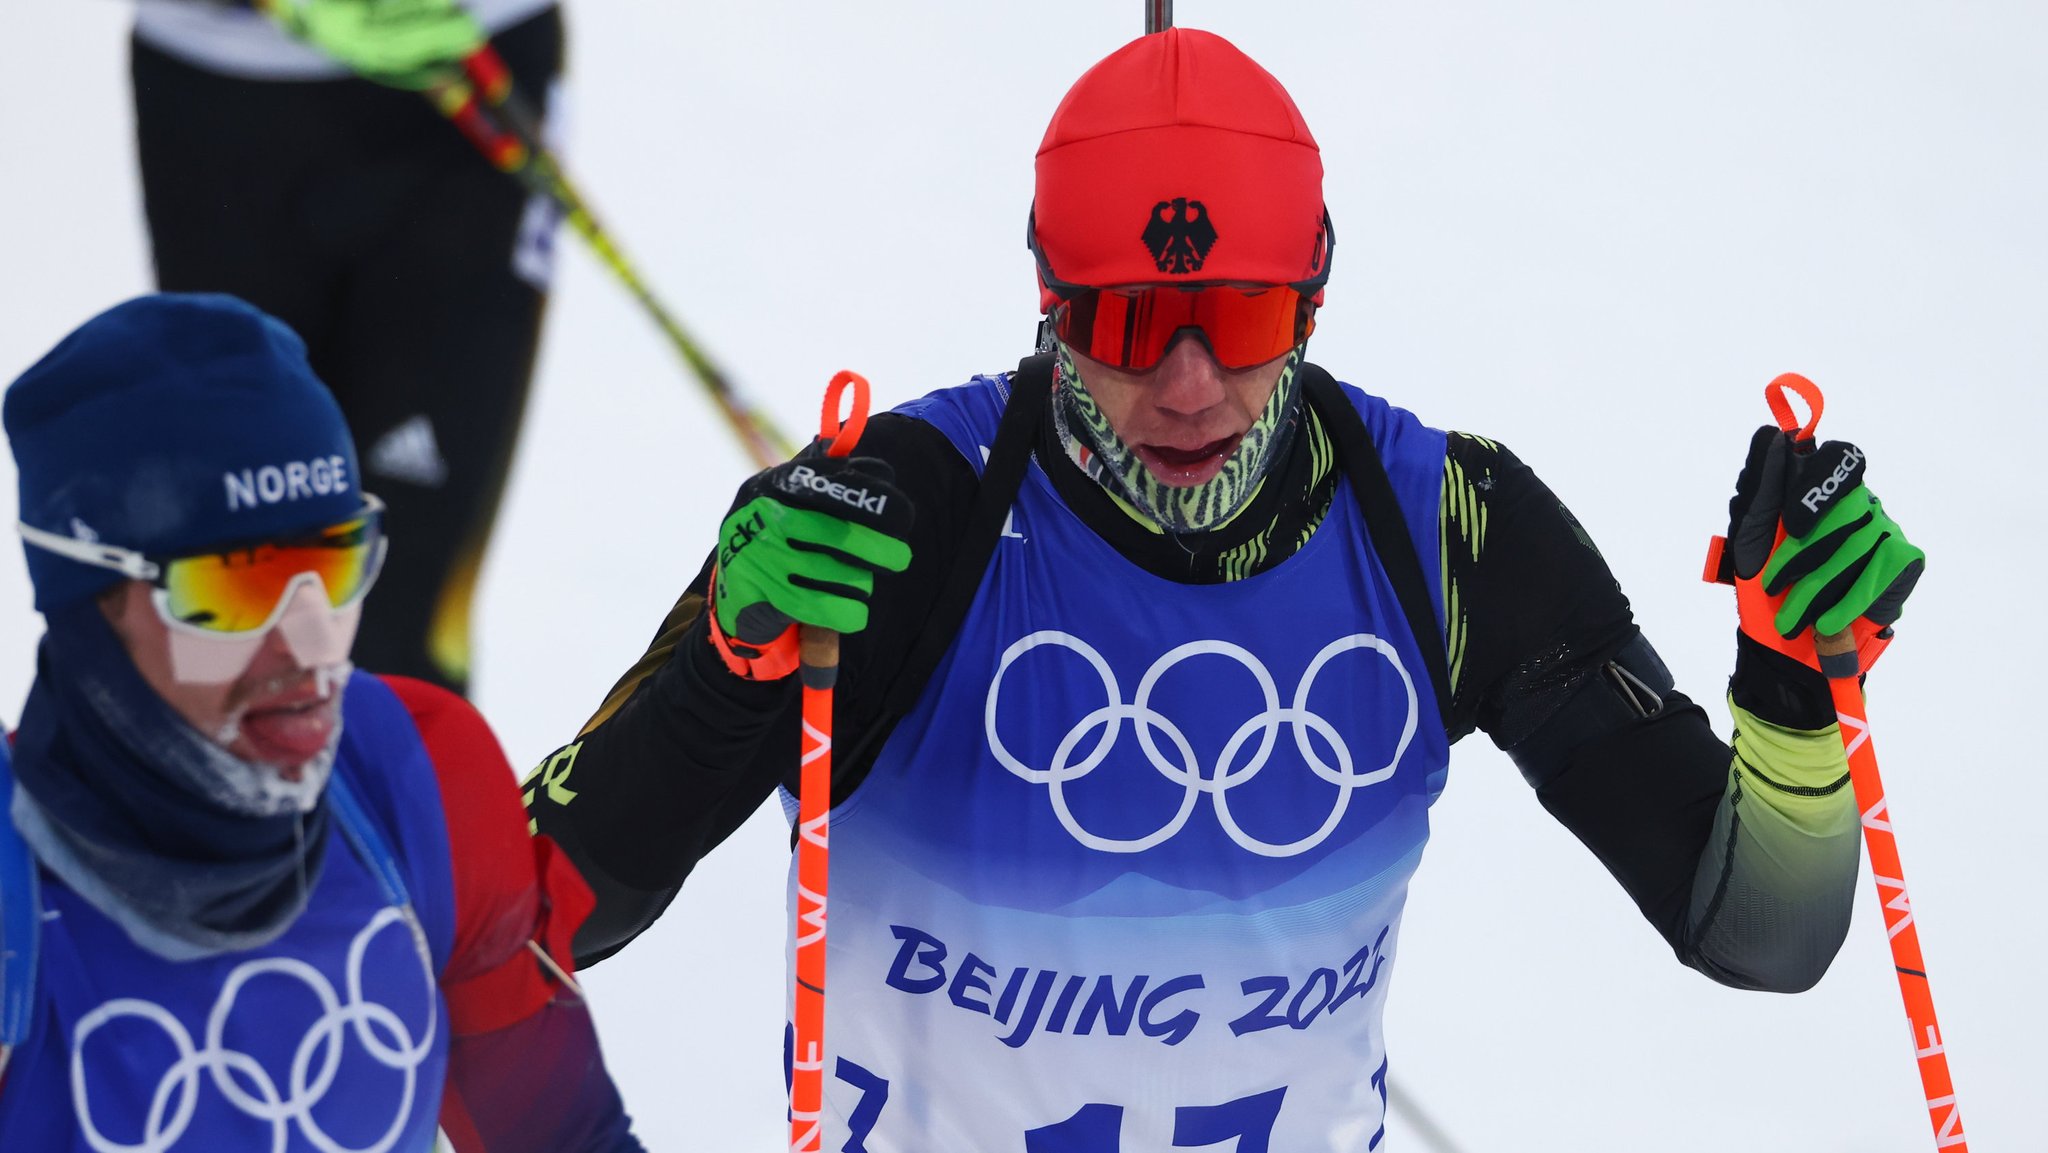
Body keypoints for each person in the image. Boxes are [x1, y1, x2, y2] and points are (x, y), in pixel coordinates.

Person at [522, 28, 1926, 1150]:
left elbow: (1760, 935)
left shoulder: (1449, 527)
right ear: (1047, 298)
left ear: (1315, 295)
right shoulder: (900, 520)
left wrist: (1797, 686)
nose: (1186, 387)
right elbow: (540, 912)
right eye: (1127, 322)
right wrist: (728, 659)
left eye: (1241, 320)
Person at [0, 293, 643, 1151]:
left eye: (332, 566)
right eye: (235, 587)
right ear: (92, 602)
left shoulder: (414, 767)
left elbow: (563, 1136)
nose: (310, 647)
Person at [128, 0, 566, 694]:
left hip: (461, 62)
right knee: (239, 596)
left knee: (401, 628)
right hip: (222, 88)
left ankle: (400, 803)